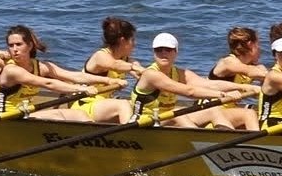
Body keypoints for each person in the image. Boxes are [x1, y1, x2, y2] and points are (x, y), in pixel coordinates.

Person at [0, 25, 126, 120]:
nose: (14, 49)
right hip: (7, 119)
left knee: (80, 115)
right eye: (11, 45)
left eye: (18, 44)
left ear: (30, 46)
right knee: (57, 116)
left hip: (24, 115)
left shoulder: (40, 66)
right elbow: (48, 83)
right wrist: (80, 89)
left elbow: (74, 75)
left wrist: (108, 80)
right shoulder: (11, 70)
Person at [130, 32, 259, 129]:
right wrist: (224, 95)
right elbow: (189, 91)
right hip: (144, 123)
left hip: (164, 119)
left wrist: (244, 87)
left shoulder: (179, 73)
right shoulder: (151, 74)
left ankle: (229, 143)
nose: (163, 53)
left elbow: (209, 84)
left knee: (213, 110)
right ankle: (200, 141)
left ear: (176, 52)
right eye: (159, 50)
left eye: (168, 49)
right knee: (178, 114)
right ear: (153, 53)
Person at [77, 17, 145, 124]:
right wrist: (135, 67)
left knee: (138, 107)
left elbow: (141, 74)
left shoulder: (124, 59)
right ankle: (133, 138)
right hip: (85, 104)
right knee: (122, 105)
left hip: (103, 105)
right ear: (123, 41)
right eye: (132, 40)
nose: (135, 44)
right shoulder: (100, 56)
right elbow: (115, 65)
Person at [208, 26, 268, 130]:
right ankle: (258, 143)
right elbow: (250, 72)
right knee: (248, 114)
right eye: (258, 45)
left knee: (262, 114)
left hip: (228, 112)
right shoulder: (228, 62)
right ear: (251, 45)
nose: (260, 49)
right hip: (211, 112)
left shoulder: (253, 66)